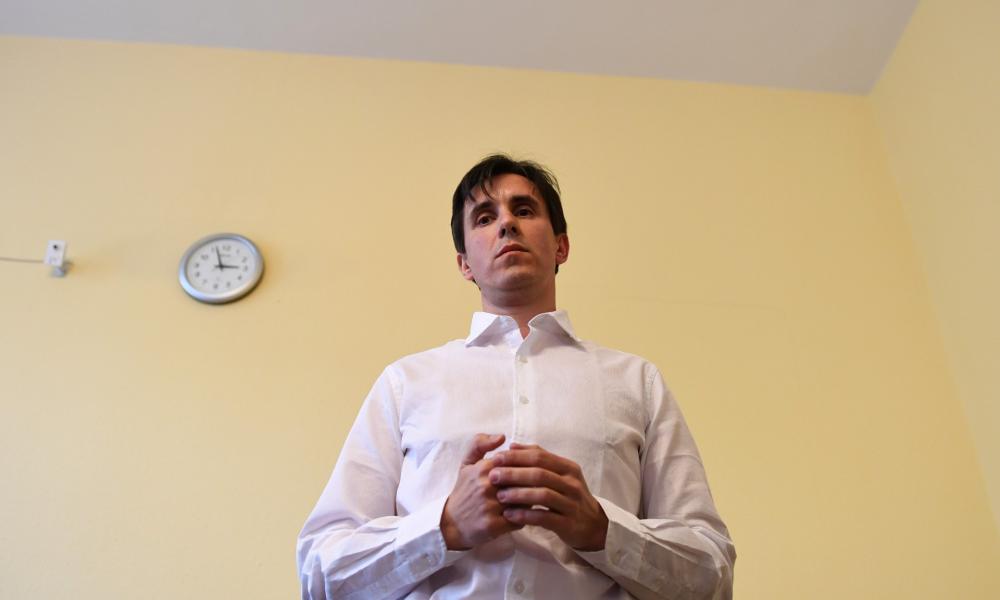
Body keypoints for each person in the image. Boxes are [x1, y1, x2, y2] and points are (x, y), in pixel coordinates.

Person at [297, 155, 736, 599]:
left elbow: (713, 575)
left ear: (561, 246)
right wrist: (444, 528)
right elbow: (321, 574)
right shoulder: (405, 383)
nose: (507, 223)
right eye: (485, 218)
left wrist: (602, 529)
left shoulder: (637, 382)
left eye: (524, 210)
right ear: (464, 264)